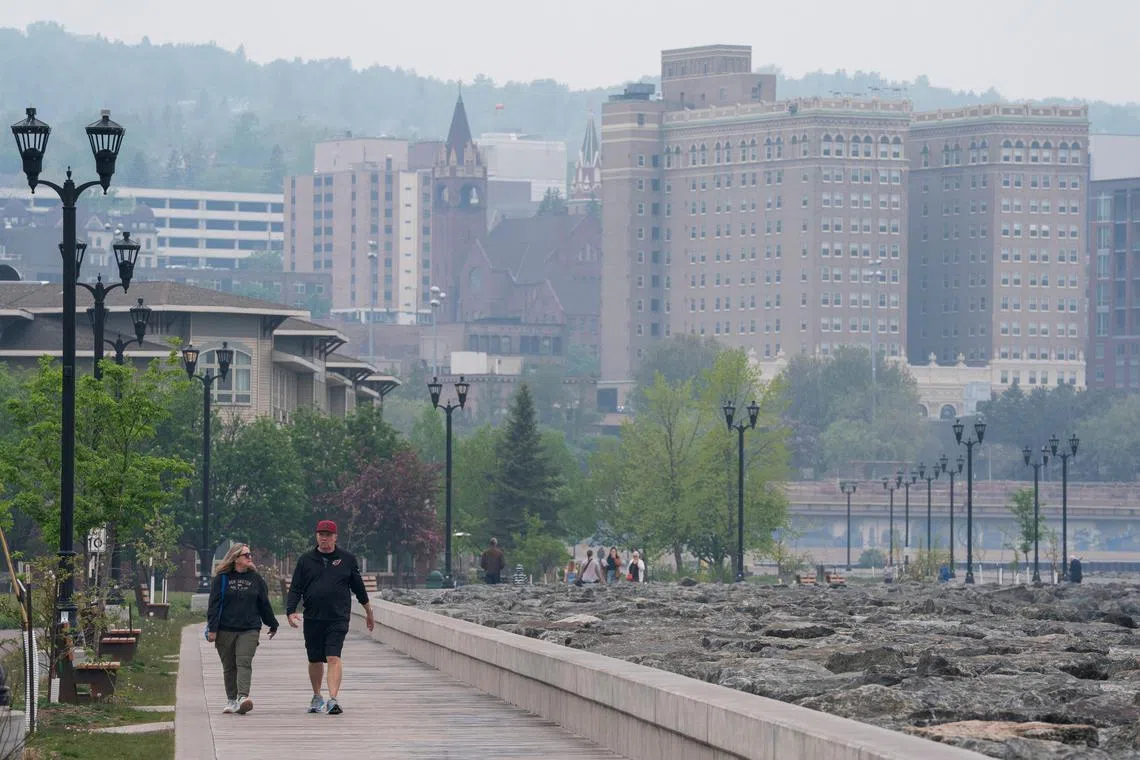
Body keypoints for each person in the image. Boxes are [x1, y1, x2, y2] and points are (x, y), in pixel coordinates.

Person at [286, 520, 375, 715]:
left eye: (328, 534)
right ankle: (317, 696)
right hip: (313, 617)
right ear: (316, 536)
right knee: (315, 659)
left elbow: (359, 588)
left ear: (335, 537)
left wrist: (368, 612)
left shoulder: (347, 559)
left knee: (333, 656)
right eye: (320, 534)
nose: (324, 537)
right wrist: (290, 611)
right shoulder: (306, 560)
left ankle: (333, 699)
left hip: (338, 617)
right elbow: (295, 588)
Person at [206, 543, 279, 716]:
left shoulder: (256, 579)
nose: (250, 557)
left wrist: (272, 623)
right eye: (246, 555)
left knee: (244, 661)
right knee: (229, 666)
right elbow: (214, 606)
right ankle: (231, 700)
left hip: (250, 628)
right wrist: (213, 629)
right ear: (236, 558)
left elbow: (264, 604)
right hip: (225, 629)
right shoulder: (222, 579)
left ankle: (242, 697)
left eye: (250, 554)